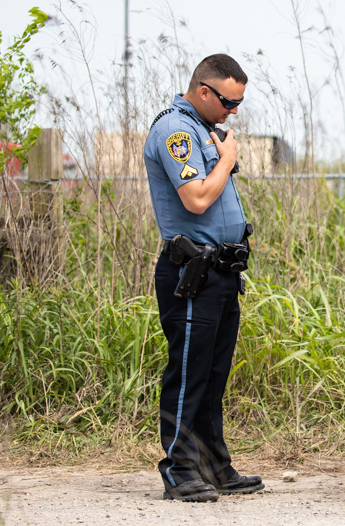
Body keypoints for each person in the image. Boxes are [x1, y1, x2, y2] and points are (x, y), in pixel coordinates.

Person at [144, 54, 264, 503]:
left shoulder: (205, 128)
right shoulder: (176, 130)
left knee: (214, 375)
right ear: (204, 92)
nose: (235, 110)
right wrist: (227, 156)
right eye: (229, 101)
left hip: (223, 271)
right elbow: (195, 198)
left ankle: (214, 464)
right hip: (191, 272)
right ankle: (178, 468)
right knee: (189, 373)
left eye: (240, 102)